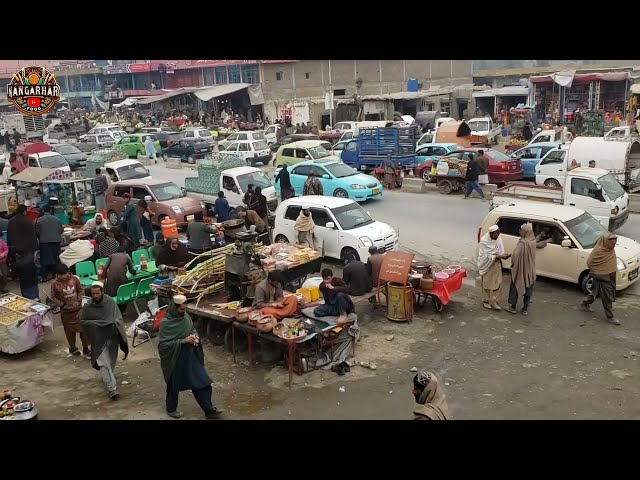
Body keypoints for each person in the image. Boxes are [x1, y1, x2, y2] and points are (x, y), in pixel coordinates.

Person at [158, 295, 223, 419]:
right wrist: (182, 341)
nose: (184, 312)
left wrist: (195, 337)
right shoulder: (166, 323)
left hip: (190, 355)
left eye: (185, 309)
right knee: (173, 384)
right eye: (181, 310)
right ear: (174, 308)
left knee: (201, 381)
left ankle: (209, 410)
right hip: (175, 358)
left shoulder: (185, 316)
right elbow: (163, 345)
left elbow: (192, 329)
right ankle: (171, 409)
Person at [80, 282, 129, 400]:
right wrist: (98, 325)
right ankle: (112, 389)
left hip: (112, 337)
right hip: (98, 339)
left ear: (102, 292)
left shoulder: (110, 302)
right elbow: (84, 322)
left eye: (97, 293)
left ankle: (107, 378)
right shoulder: (88, 307)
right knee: (103, 363)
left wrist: (109, 325)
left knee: (111, 361)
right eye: (93, 294)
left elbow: (117, 319)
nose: (95, 296)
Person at [504, 223, 549, 315]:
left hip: (520, 269)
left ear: (524, 232)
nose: (519, 232)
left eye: (521, 230)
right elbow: (538, 244)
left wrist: (511, 257)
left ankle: (512, 307)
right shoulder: (532, 242)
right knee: (529, 287)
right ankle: (525, 308)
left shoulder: (523, 243)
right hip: (530, 270)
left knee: (515, 285)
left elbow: (515, 255)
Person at [50, 263, 90, 357]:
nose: (64, 276)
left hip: (78, 310)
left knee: (83, 330)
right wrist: (62, 305)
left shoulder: (75, 279)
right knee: (69, 332)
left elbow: (80, 290)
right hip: (66, 312)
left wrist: (79, 300)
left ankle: (86, 348)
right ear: (57, 274)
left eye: (65, 274)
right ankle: (73, 348)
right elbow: (53, 297)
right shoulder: (55, 284)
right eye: (61, 274)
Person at [581, 233, 620, 325]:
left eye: (615, 243)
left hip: (609, 275)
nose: (614, 245)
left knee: (595, 292)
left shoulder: (609, 249)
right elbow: (590, 263)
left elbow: (611, 261)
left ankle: (585, 303)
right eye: (612, 243)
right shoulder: (599, 250)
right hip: (602, 276)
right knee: (607, 297)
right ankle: (610, 317)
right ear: (606, 242)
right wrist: (599, 272)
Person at [477, 225, 510, 310]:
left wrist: (503, 256)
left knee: (498, 282)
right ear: (491, 234)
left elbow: (500, 251)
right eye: (495, 235)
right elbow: (484, 255)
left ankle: (495, 301)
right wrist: (496, 256)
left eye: (497, 235)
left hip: (496, 263)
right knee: (487, 283)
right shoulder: (484, 241)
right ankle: (485, 301)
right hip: (487, 264)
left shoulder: (498, 238)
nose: (496, 237)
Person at [35, 205, 63, 281]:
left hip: (44, 242)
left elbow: (37, 232)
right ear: (50, 211)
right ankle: (57, 274)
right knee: (56, 258)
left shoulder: (39, 220)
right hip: (56, 242)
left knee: (45, 260)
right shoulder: (56, 219)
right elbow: (61, 230)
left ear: (43, 211)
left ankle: (44, 276)